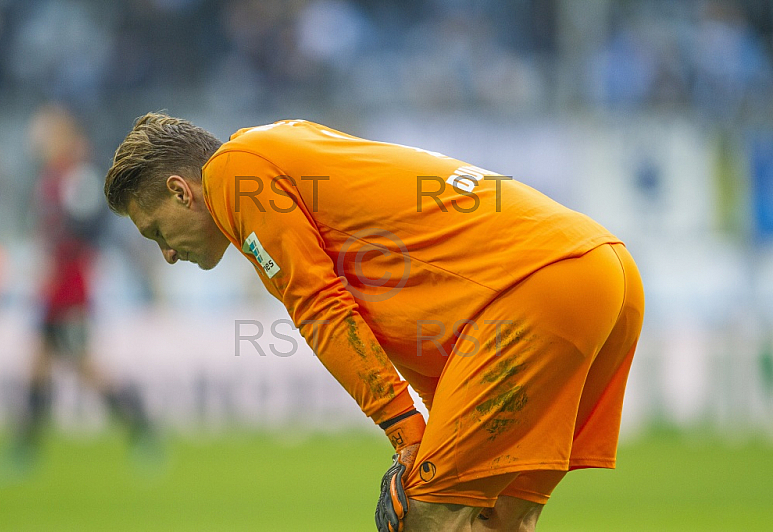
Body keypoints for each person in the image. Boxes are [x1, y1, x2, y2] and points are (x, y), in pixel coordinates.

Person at [104, 113, 644, 532]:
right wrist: (421, 432)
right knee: (500, 518)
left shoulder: (234, 173)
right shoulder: (284, 144)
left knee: (425, 515)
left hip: (540, 286)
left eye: (156, 232)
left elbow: (320, 306)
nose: (167, 254)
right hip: (601, 272)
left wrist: (404, 432)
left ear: (181, 190)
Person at [11, 104, 155, 468]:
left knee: (89, 370)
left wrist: (59, 257)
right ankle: (26, 451)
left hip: (70, 293)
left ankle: (143, 432)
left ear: (65, 136)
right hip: (53, 293)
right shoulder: (51, 178)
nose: (40, 139)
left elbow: (89, 231)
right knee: (39, 367)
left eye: (47, 132)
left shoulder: (78, 178)